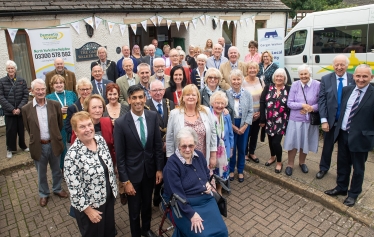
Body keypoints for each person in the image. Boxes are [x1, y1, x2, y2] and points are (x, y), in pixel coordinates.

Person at [114, 85, 164, 237]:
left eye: (141, 97)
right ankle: (136, 233)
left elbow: (157, 146)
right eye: (134, 98)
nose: (138, 101)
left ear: (145, 98)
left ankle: (146, 229)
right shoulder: (121, 123)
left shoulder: (152, 116)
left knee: (147, 205)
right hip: (132, 175)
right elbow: (120, 156)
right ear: (129, 100)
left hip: (149, 171)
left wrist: (159, 169)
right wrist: (125, 181)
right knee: (134, 210)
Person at [162, 127, 228, 237]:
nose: (188, 149)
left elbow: (206, 173)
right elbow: (176, 195)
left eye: (191, 146)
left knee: (222, 232)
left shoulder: (199, 155)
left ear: (195, 144)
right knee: (202, 235)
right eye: (184, 146)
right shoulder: (171, 166)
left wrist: (207, 183)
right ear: (178, 145)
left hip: (206, 200)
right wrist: (191, 214)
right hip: (183, 205)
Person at [325, 64, 374, 207]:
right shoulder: (347, 90)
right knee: (342, 164)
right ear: (354, 76)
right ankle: (341, 188)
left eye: (365, 76)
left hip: (361, 138)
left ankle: (353, 194)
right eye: (358, 75)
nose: (361, 79)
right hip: (343, 134)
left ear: (371, 77)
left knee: (358, 169)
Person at [64, 111, 117, 237]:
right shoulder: (72, 155)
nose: (88, 129)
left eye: (89, 124)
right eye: (82, 127)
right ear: (75, 132)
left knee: (109, 232)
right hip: (91, 206)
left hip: (107, 199)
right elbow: (74, 188)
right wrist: (89, 211)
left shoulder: (100, 140)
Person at [22, 79, 68, 207]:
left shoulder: (54, 105)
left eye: (42, 89)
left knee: (57, 170)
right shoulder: (26, 109)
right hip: (38, 145)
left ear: (46, 90)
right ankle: (43, 194)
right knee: (41, 172)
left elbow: (59, 124)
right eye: (37, 89)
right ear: (32, 91)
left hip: (54, 143)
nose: (40, 92)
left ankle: (57, 188)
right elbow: (28, 127)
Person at [316, 54, 354, 179]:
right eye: (336, 65)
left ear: (347, 66)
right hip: (331, 121)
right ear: (333, 66)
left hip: (346, 123)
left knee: (344, 151)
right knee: (327, 147)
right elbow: (322, 100)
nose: (339, 67)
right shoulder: (326, 79)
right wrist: (324, 120)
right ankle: (323, 168)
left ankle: (342, 173)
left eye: (342, 64)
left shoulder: (353, 79)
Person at [166, 84, 217, 169]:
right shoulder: (174, 113)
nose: (191, 97)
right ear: (183, 97)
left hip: (202, 157)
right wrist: (170, 158)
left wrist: (213, 156)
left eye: (193, 95)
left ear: (198, 97)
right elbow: (170, 138)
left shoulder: (206, 111)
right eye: (187, 94)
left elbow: (213, 133)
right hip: (181, 159)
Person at [283, 65, 320, 176]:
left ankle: (302, 162)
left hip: (309, 120)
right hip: (295, 119)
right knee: (293, 142)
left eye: (306, 74)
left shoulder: (317, 85)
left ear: (310, 74)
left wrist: (311, 108)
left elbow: (321, 103)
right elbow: (289, 103)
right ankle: (290, 164)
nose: (303, 76)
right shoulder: (295, 85)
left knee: (305, 142)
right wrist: (303, 105)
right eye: (301, 74)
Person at [145, 80, 175, 206]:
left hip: (169, 146)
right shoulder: (145, 107)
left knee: (169, 172)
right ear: (149, 92)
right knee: (156, 174)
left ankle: (166, 196)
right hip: (153, 148)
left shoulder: (170, 104)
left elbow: (174, 125)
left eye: (160, 90)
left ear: (164, 90)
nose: (158, 93)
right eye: (155, 90)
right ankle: (156, 197)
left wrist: (168, 142)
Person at [259, 69, 290, 173]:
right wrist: (262, 118)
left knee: (276, 142)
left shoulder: (288, 89)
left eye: (281, 76)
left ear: (284, 78)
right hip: (269, 120)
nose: (279, 78)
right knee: (271, 141)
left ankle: (279, 162)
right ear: (274, 77)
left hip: (282, 120)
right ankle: (273, 157)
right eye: (277, 76)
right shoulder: (268, 87)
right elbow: (262, 102)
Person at [46, 75, 77, 171]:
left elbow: (77, 107)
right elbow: (48, 113)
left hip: (72, 124)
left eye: (61, 82)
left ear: (64, 84)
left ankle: (75, 166)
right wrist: (59, 111)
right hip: (59, 126)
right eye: (56, 83)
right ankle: (64, 168)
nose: (59, 85)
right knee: (62, 147)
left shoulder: (71, 94)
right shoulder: (49, 97)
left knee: (74, 145)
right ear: (52, 85)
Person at [226, 69, 253, 182]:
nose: (236, 81)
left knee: (242, 149)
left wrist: (245, 125)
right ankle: (231, 170)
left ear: (242, 80)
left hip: (244, 125)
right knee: (232, 148)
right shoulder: (226, 93)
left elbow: (251, 111)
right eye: (234, 79)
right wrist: (233, 127)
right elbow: (225, 110)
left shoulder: (247, 94)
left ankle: (240, 170)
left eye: (238, 79)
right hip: (231, 125)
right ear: (230, 80)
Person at [0, 60, 29, 158]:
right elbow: (1, 97)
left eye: (12, 68)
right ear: (6, 70)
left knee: (21, 129)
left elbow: (25, 95)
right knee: (10, 131)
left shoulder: (21, 80)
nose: (10, 70)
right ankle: (10, 149)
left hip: (20, 111)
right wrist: (12, 109)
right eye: (9, 68)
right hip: (9, 112)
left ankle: (23, 145)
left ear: (15, 69)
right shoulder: (2, 81)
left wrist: (19, 108)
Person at [210, 91, 234, 195]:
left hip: (225, 149)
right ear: (212, 103)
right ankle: (212, 188)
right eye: (217, 103)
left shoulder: (226, 116)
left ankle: (219, 188)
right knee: (212, 170)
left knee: (222, 171)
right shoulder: (207, 115)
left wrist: (231, 148)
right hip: (212, 150)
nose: (219, 106)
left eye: (222, 103)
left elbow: (230, 134)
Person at [242, 61, 264, 163]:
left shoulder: (260, 80)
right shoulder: (242, 82)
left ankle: (252, 152)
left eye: (254, 68)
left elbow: (263, 97)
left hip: (258, 113)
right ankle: (245, 153)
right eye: (250, 68)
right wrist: (249, 113)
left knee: (255, 134)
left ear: (257, 70)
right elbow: (241, 98)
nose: (252, 70)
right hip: (247, 114)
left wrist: (260, 112)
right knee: (246, 134)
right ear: (247, 70)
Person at [65, 77, 92, 145]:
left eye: (87, 89)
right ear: (78, 91)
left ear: (91, 89)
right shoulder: (72, 108)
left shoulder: (96, 104)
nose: (85, 92)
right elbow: (68, 127)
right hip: (79, 141)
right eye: (82, 89)